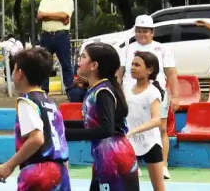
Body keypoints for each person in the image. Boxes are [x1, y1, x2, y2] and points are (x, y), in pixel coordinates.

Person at [66, 43, 139, 191]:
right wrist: (59, 124)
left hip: (114, 157)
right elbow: (91, 124)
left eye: (83, 57)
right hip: (105, 156)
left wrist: (64, 134)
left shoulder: (103, 92)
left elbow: (106, 129)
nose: (78, 61)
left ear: (94, 65)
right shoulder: (96, 89)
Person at [0, 47, 70, 190]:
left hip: (38, 172)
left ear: (20, 74)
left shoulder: (27, 102)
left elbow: (37, 139)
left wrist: (9, 165)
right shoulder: (51, 103)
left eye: (14, 69)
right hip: (60, 170)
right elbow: (61, 140)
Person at [117, 14, 178, 179]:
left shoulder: (162, 49)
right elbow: (120, 72)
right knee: (130, 128)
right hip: (130, 94)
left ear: (153, 32)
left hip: (155, 93)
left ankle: (163, 165)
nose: (142, 34)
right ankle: (133, 164)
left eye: (146, 31)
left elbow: (171, 73)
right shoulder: (127, 49)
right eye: (139, 31)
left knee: (161, 128)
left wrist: (176, 95)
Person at [124, 51, 167, 191]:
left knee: (159, 187)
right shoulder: (127, 90)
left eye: (137, 65)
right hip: (130, 144)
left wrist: (135, 129)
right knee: (129, 186)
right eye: (132, 64)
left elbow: (156, 120)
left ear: (149, 70)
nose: (132, 67)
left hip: (150, 144)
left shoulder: (152, 92)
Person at [36, 0, 75, 94]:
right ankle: (43, 90)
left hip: (61, 35)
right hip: (46, 35)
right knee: (44, 64)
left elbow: (64, 16)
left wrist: (46, 15)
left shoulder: (68, 1)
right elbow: (39, 17)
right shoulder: (45, 0)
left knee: (66, 64)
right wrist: (59, 16)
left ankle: (70, 90)